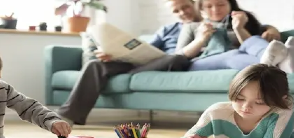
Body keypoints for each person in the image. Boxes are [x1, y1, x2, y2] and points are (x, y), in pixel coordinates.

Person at [56, 0, 282, 126]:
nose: (182, 13)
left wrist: (269, 30)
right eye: (177, 11)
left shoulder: (210, 25)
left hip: (171, 61)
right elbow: (144, 49)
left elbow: (253, 34)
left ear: (195, 6)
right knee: (96, 64)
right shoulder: (168, 29)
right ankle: (69, 114)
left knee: (174, 57)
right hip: (144, 61)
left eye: (185, 7)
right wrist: (115, 54)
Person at [175, 64, 294, 138]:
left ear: (281, 100)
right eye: (240, 98)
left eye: (259, 102)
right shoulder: (216, 112)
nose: (246, 107)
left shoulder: (282, 111)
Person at [176, 0, 294, 73]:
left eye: (221, 4)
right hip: (200, 62)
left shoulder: (243, 19)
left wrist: (239, 28)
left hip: (240, 56)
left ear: (230, 4)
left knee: (253, 41)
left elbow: (251, 44)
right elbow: (179, 56)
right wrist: (200, 40)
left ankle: (284, 60)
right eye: (209, 6)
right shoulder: (192, 26)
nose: (215, 9)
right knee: (232, 55)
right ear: (201, 9)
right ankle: (279, 64)